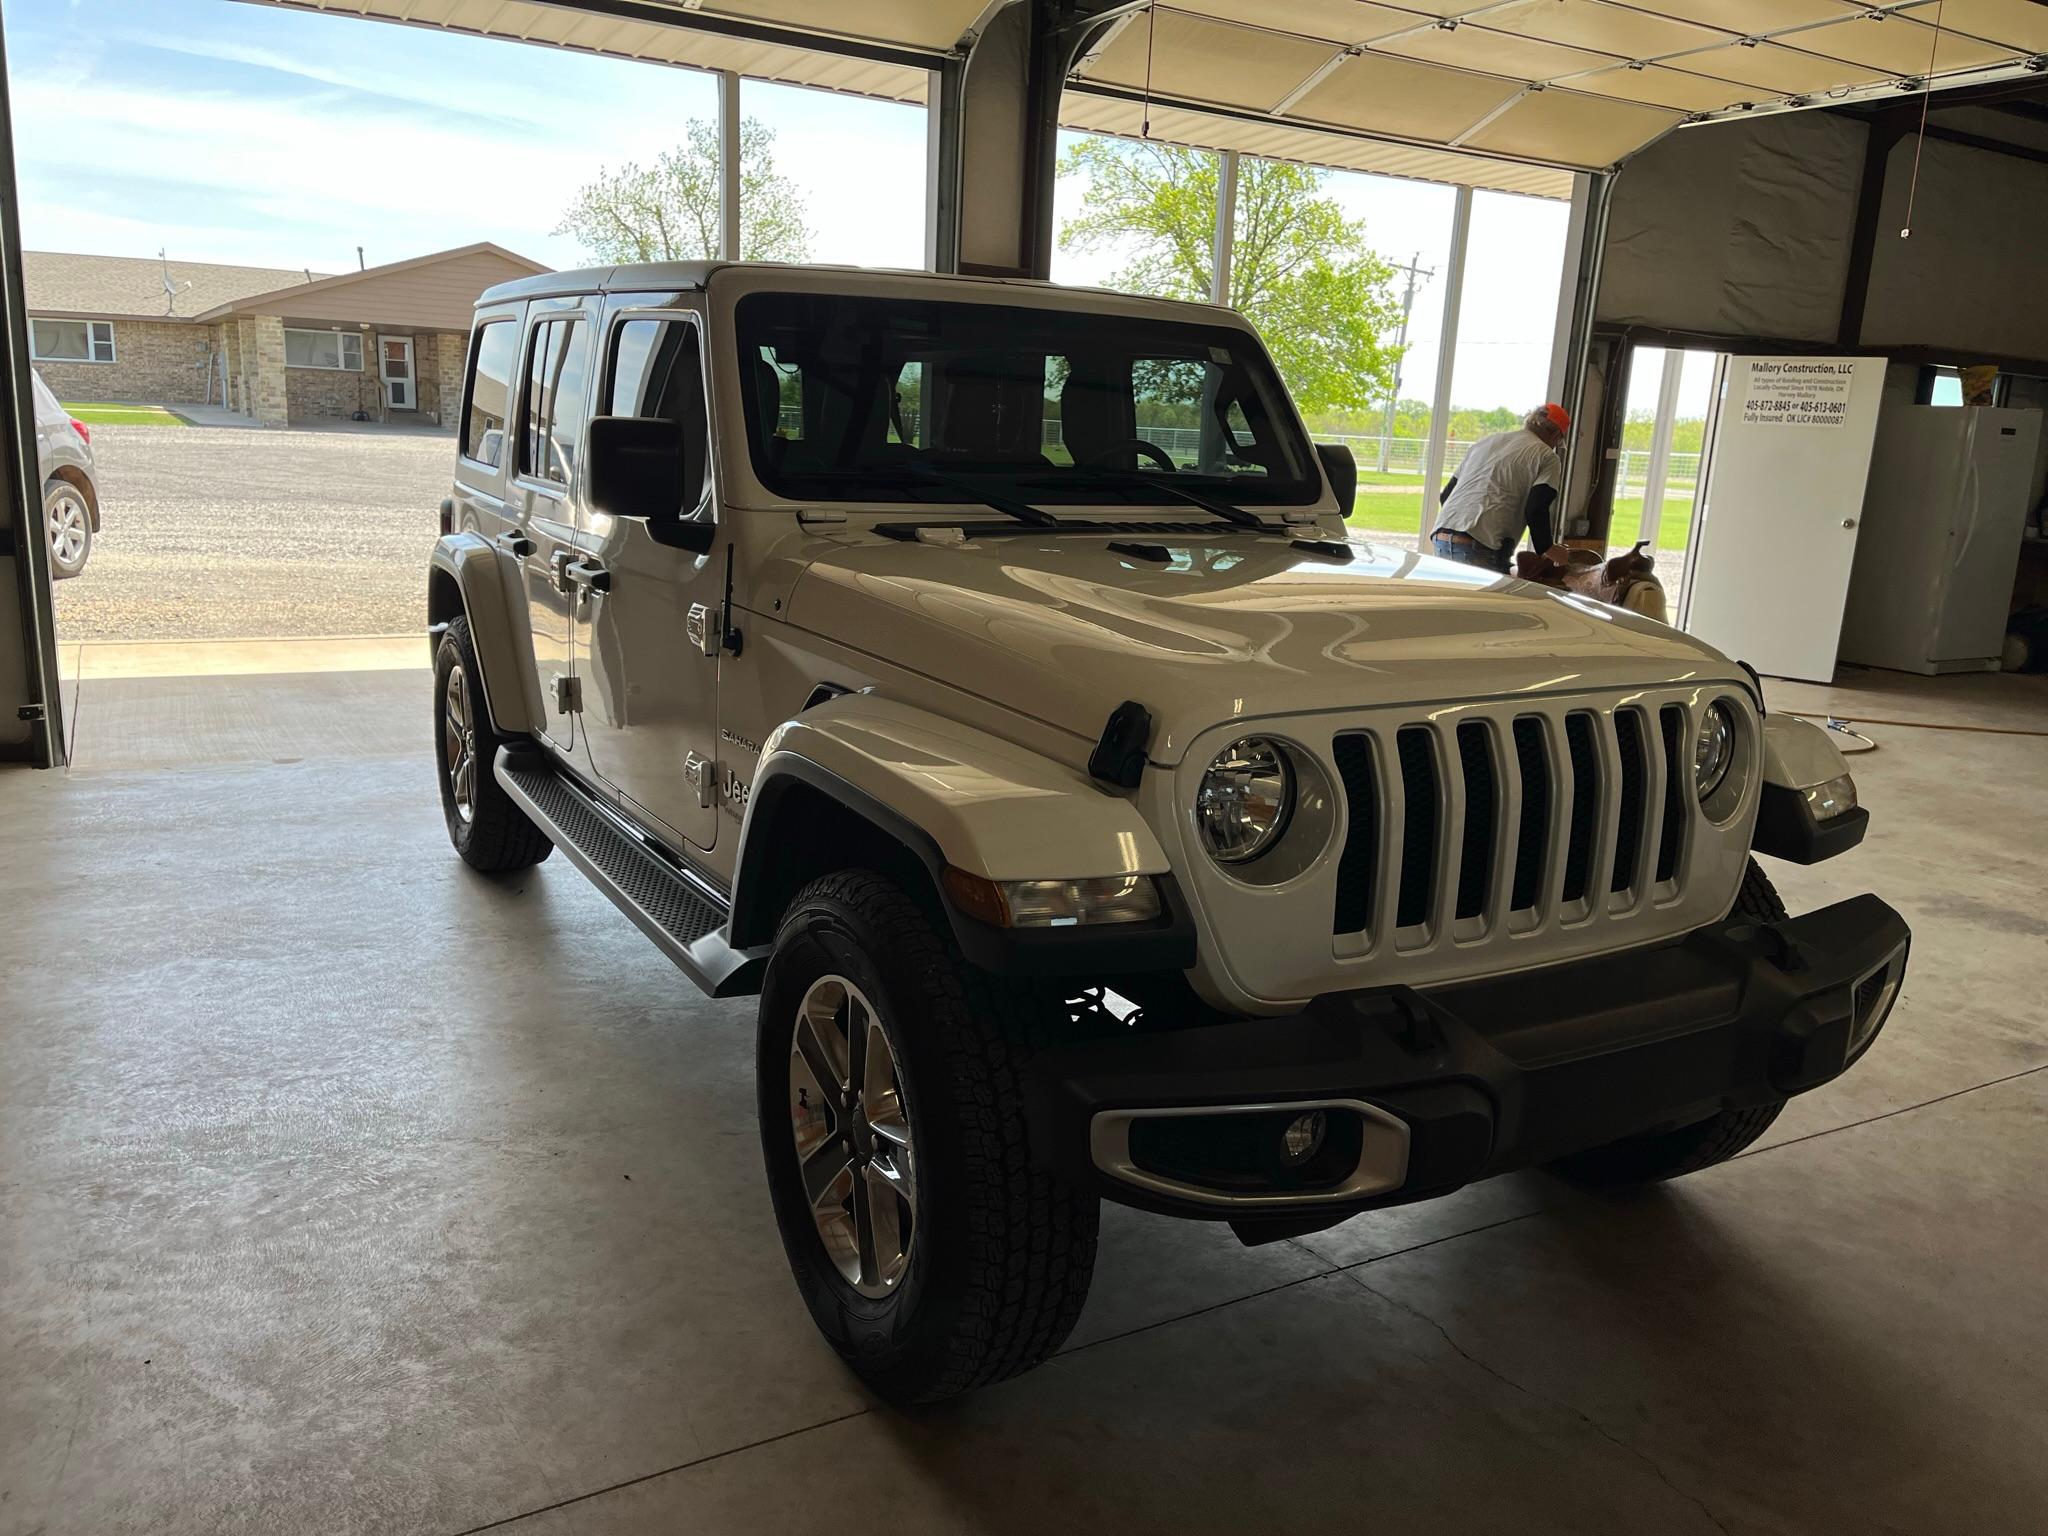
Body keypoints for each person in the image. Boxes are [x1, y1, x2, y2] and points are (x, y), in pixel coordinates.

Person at [1430, 403, 1573, 574]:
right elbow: (1536, 509)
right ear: (1557, 435)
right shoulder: (1547, 456)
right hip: (1480, 547)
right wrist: (1549, 549)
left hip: (1441, 537)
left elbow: (1446, 496)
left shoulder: (1486, 442)